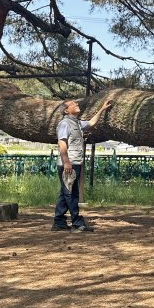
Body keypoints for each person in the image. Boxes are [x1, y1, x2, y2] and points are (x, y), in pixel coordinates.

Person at [51, 98, 112, 232]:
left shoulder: (77, 123)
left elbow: (91, 123)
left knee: (65, 192)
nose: (77, 104)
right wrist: (67, 162)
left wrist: (102, 108)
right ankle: (77, 223)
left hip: (75, 162)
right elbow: (62, 144)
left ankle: (59, 222)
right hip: (69, 164)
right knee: (72, 193)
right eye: (73, 104)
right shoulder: (65, 124)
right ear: (66, 111)